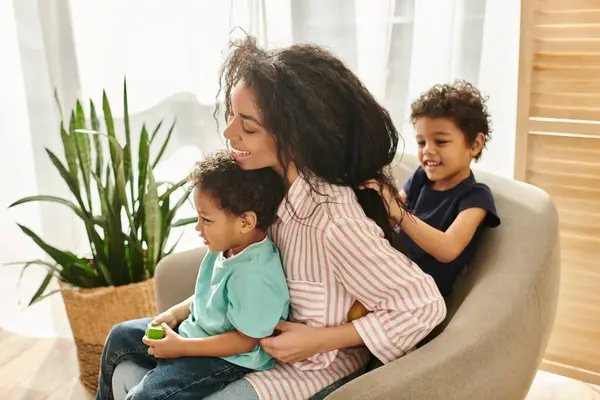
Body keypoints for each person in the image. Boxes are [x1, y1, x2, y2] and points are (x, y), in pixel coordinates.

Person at [112, 35, 447, 400]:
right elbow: (238, 279)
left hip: (304, 368)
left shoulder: (333, 221)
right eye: (230, 116)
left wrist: (320, 339)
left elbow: (422, 305)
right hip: (241, 341)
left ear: (296, 138)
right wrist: (181, 311)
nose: (228, 133)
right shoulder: (260, 187)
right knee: (121, 345)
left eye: (248, 126)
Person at [96, 151, 290, 399]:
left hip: (226, 358)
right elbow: (206, 295)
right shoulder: (224, 247)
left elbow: (245, 341)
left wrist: (183, 347)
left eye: (206, 219)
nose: (198, 228)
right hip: (194, 332)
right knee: (120, 335)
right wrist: (175, 313)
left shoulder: (256, 275)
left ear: (245, 222)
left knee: (147, 395)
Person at [363, 81, 501, 297]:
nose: (428, 151)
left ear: (475, 144)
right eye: (421, 143)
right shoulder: (421, 177)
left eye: (441, 141)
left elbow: (448, 248)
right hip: (388, 271)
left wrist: (399, 213)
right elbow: (387, 218)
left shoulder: (476, 197)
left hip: (419, 295)